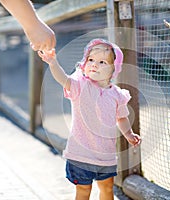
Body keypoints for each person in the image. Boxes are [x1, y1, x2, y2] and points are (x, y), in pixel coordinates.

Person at [38, 38, 141, 200]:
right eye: (91, 60)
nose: (94, 64)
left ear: (114, 69)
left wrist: (129, 134)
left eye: (102, 62)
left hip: (105, 154)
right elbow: (63, 79)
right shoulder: (80, 86)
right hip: (80, 153)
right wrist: (53, 63)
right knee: (84, 190)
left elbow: (121, 118)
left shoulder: (117, 95)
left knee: (107, 189)